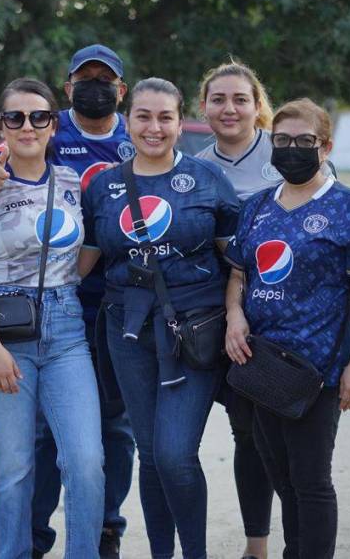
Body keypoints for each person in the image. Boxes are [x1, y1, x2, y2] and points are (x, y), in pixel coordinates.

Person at [0, 44, 135, 559]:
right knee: (25, 453)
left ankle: (101, 535)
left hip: (93, 314)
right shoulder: (45, 131)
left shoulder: (139, 136)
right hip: (12, 318)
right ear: (67, 89)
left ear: (121, 90)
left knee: (103, 444)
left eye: (104, 79)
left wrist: (69, 278)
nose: (29, 124)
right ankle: (30, 544)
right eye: (83, 78)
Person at [79, 78, 240, 559]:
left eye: (164, 117)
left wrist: (236, 315)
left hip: (193, 330)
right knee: (150, 455)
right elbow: (81, 262)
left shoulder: (208, 180)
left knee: (174, 453)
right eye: (143, 116)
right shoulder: (104, 185)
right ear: (127, 120)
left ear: (179, 120)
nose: (154, 127)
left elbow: (237, 263)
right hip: (125, 331)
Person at [224, 97, 350, 559]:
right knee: (278, 472)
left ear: (326, 146)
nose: (291, 149)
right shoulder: (257, 207)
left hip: (319, 368)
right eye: (282, 140)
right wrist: (234, 316)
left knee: (311, 479)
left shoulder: (346, 208)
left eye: (304, 141)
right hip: (261, 364)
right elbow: (239, 274)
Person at [195, 59, 277, 559]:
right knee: (240, 429)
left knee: (265, 434)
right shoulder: (195, 168)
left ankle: (266, 543)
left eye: (240, 99)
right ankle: (256, 544)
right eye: (219, 99)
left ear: (257, 106)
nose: (229, 108)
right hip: (213, 318)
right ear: (203, 107)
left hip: (278, 320)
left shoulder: (285, 153)